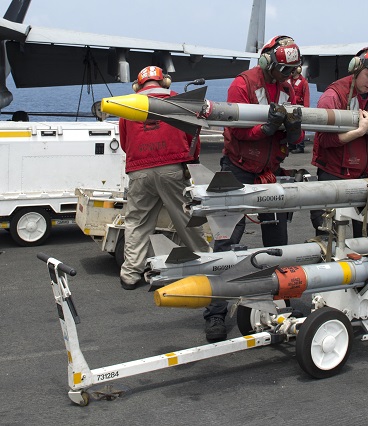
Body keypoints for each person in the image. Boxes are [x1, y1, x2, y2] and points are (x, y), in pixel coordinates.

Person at [203, 35, 303, 343]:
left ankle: (279, 303)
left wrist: (293, 130)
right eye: (283, 70)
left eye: (292, 71)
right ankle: (216, 313)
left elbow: (296, 141)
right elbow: (237, 130)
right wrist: (267, 128)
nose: (288, 77)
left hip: (269, 173)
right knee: (226, 244)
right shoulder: (242, 84)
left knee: (277, 243)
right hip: (236, 170)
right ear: (267, 62)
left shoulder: (290, 87)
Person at [119, 66, 210, 290]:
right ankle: (206, 264)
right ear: (165, 82)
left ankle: (130, 274)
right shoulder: (178, 100)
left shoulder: (128, 104)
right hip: (172, 168)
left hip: (139, 171)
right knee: (186, 220)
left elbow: (124, 142)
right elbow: (193, 136)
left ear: (138, 85)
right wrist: (190, 162)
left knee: (137, 222)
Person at [310, 46, 368, 238]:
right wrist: (359, 132)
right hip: (334, 175)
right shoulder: (333, 96)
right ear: (356, 68)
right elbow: (324, 140)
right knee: (329, 239)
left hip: (365, 177)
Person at [286, 66, 310, 153]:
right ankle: (291, 145)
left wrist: (306, 110)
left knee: (300, 127)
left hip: (299, 107)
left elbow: (306, 96)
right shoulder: (288, 80)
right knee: (289, 126)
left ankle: (300, 146)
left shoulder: (303, 82)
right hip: (289, 107)